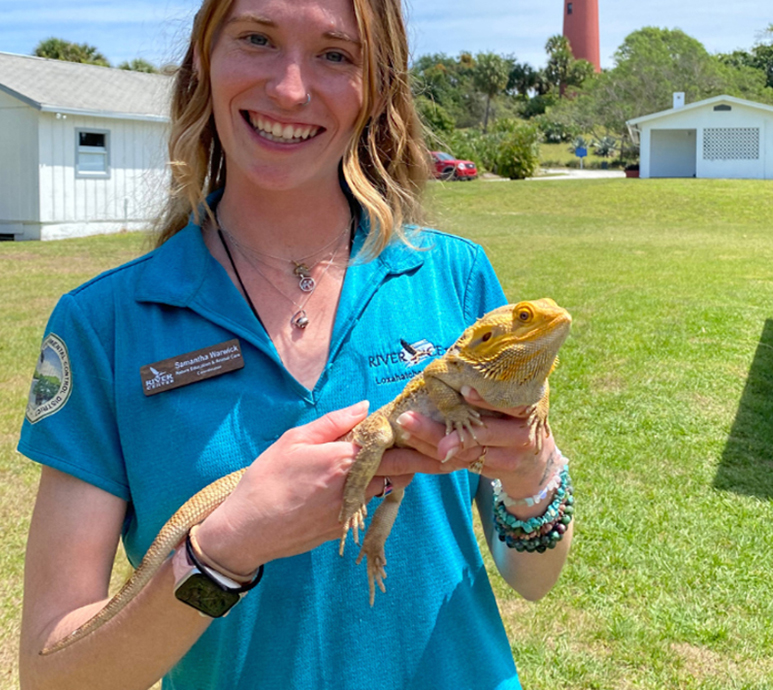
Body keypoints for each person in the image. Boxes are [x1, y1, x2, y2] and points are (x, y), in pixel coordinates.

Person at [16, 0, 574, 687]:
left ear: (377, 89)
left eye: (336, 55)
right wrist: (224, 550)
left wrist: (530, 475)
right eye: (257, 39)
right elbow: (53, 675)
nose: (289, 88)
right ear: (203, 60)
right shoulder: (103, 324)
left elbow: (534, 578)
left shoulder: (456, 279)